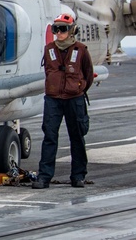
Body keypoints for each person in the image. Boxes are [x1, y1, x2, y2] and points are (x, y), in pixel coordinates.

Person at [32, 13, 93, 189]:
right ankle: (44, 177)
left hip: (74, 99)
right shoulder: (49, 49)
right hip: (53, 99)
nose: (58, 33)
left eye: (62, 29)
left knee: (77, 137)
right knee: (50, 137)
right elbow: (48, 73)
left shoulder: (81, 50)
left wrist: (78, 88)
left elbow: (88, 74)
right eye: (56, 29)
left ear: (71, 30)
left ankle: (78, 176)